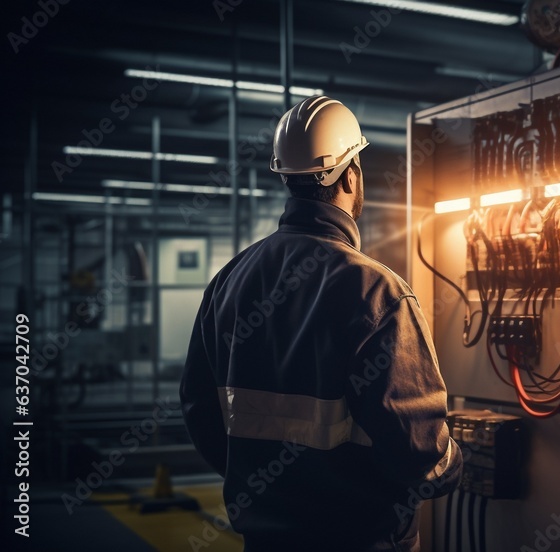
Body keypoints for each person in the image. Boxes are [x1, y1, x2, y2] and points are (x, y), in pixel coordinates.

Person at [180, 95, 461, 552]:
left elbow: (199, 410)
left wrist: (265, 488)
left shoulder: (228, 281)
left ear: (287, 178)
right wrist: (453, 463)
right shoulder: (377, 293)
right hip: (362, 538)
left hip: (266, 538)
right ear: (350, 174)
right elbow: (419, 455)